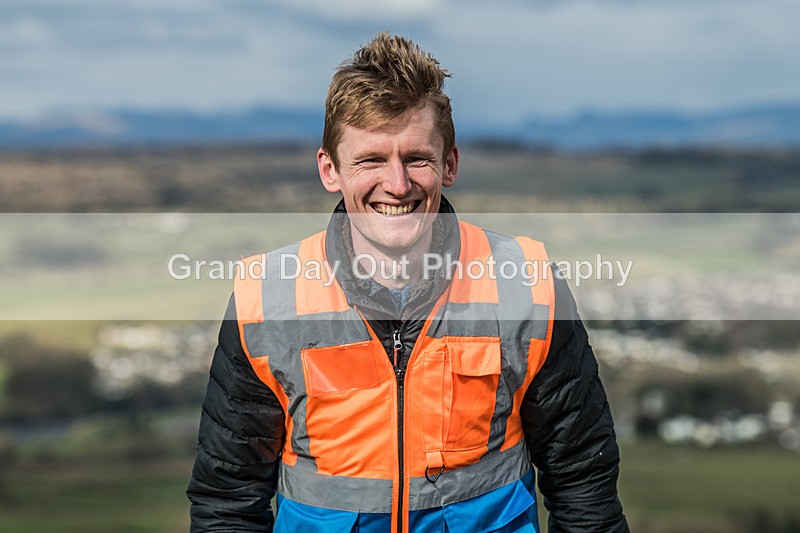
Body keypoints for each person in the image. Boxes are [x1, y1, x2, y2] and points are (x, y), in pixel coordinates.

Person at [187, 33, 628, 532]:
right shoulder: (263, 298)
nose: (397, 184)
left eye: (416, 158)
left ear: (450, 164)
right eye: (371, 160)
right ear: (330, 170)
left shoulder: (529, 287)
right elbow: (227, 502)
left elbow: (584, 485)